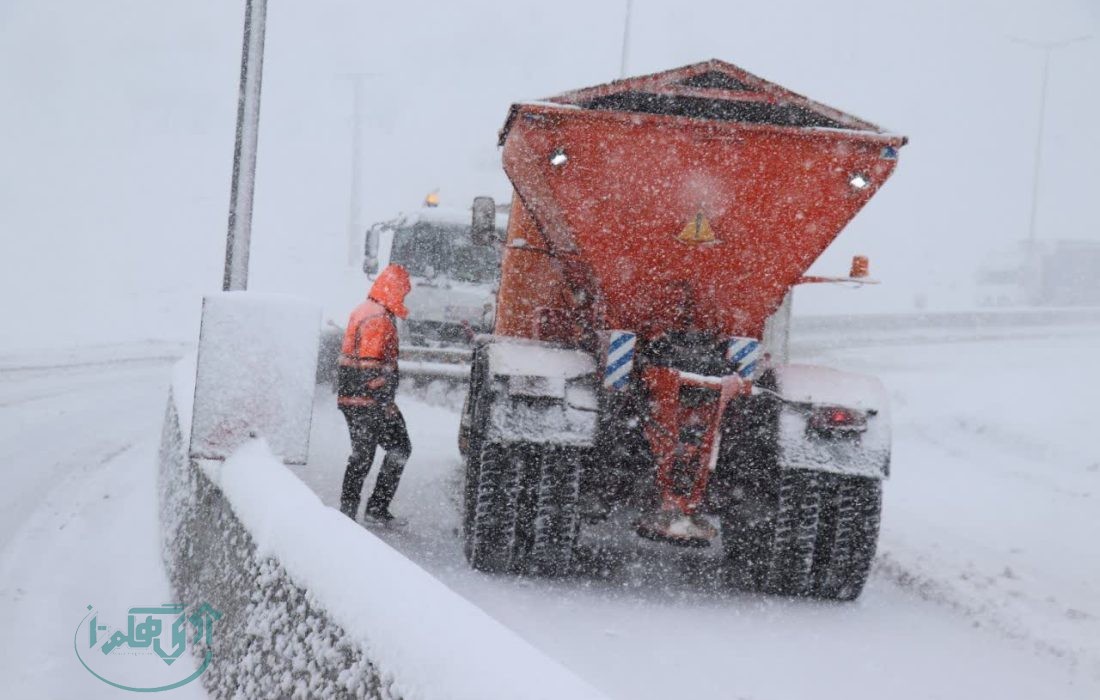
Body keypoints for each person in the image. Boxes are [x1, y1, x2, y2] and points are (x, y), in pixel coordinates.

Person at [337, 264, 413, 523]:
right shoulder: (378, 318)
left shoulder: (367, 310)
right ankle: (370, 510)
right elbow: (370, 367)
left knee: (364, 454)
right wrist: (385, 401)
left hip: (356, 399)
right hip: (367, 401)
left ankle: (351, 511)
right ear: (394, 290)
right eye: (403, 293)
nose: (404, 299)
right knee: (396, 449)